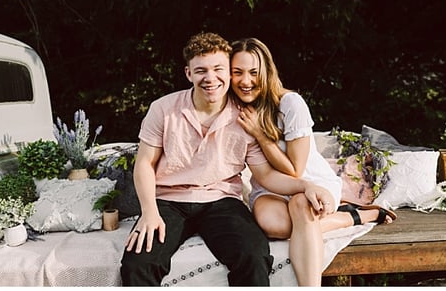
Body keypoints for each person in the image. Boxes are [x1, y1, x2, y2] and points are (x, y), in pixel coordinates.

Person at [120, 32, 336, 286]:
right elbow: (144, 163)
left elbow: (265, 175)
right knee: (138, 264)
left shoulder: (244, 117)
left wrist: (307, 186)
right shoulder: (163, 109)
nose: (210, 78)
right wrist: (149, 213)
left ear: (227, 72)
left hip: (222, 201)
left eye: (218, 69)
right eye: (201, 70)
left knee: (254, 256)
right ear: (188, 73)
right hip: (169, 201)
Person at [227, 37, 395, 286]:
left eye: (253, 72)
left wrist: (261, 136)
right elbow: (264, 173)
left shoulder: (290, 104)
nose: (246, 81)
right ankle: (355, 216)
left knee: (300, 208)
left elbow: (295, 170)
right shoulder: (236, 109)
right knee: (274, 227)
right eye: (237, 72)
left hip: (310, 182)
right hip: (271, 188)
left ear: (266, 72)